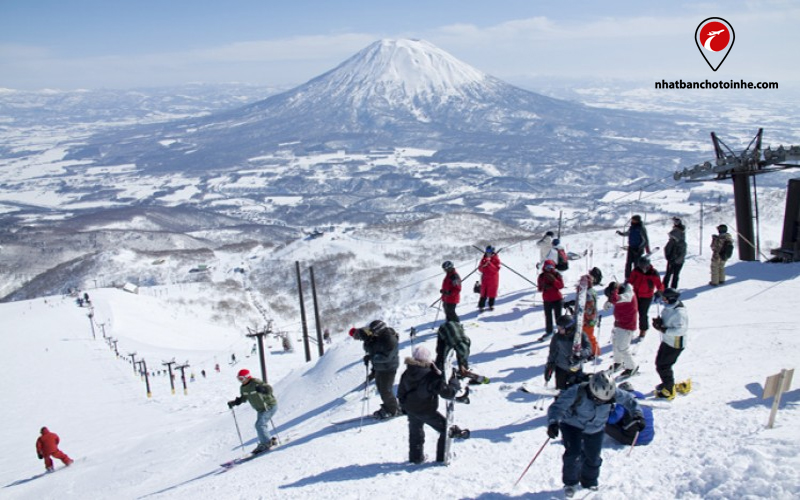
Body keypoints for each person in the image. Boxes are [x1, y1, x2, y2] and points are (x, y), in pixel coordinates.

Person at [547, 371, 644, 497]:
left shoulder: (613, 393)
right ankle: (570, 483)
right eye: (598, 399)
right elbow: (557, 407)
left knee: (593, 458)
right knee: (573, 455)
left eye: (605, 401)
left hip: (595, 428)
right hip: (572, 425)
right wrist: (553, 422)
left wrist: (638, 415)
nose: (601, 402)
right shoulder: (577, 391)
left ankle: (589, 482)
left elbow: (630, 400)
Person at [397, 346, 468, 464]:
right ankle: (442, 457)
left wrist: (404, 406)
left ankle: (416, 458)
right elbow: (447, 393)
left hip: (411, 408)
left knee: (416, 433)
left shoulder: (408, 371)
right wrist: (454, 382)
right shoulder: (429, 375)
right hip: (426, 409)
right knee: (446, 429)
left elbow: (401, 391)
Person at [350, 320, 401, 419]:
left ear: (380, 330)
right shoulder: (378, 336)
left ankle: (393, 410)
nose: (373, 333)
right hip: (380, 368)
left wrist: (372, 358)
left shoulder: (390, 340)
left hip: (388, 368)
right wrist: (369, 356)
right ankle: (388, 406)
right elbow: (374, 349)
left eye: (375, 331)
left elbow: (387, 357)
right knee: (381, 388)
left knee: (386, 390)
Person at [651, 288, 691, 400]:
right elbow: (666, 321)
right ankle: (667, 383)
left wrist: (664, 330)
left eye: (665, 299)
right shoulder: (669, 307)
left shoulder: (680, 313)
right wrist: (660, 323)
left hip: (675, 344)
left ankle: (669, 390)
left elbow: (681, 330)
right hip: (667, 340)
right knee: (659, 363)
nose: (663, 301)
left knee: (664, 366)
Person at [227, 368, 278, 454]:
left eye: (241, 378)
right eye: (238, 379)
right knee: (259, 425)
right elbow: (244, 397)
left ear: (247, 377)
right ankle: (267, 442)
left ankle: (266, 443)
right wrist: (236, 402)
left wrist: (263, 389)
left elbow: (269, 389)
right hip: (260, 409)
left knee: (260, 425)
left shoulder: (256, 383)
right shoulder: (243, 388)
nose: (240, 381)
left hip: (269, 406)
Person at [545, 315, 592, 391]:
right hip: (561, 368)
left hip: (575, 369)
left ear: (568, 327)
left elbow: (589, 349)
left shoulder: (580, 335)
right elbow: (553, 352)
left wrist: (580, 354)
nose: (559, 330)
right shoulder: (557, 337)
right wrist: (549, 366)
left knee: (574, 392)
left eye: (561, 328)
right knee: (560, 392)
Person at [603, 282, 638, 378]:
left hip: (627, 326)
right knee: (615, 344)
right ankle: (618, 363)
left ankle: (631, 367)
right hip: (619, 323)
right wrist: (608, 301)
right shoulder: (621, 292)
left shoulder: (628, 295)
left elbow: (615, 298)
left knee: (623, 347)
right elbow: (613, 299)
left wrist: (613, 293)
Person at [628, 256, 664, 341]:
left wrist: (659, 292)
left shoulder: (653, 273)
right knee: (632, 312)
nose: (643, 268)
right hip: (635, 294)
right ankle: (630, 329)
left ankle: (643, 330)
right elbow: (631, 280)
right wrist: (627, 287)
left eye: (645, 266)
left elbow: (660, 285)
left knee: (643, 314)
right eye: (641, 266)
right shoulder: (636, 270)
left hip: (646, 296)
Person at [537, 259, 564, 340]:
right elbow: (539, 288)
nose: (549, 269)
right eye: (548, 267)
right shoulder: (541, 276)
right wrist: (543, 287)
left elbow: (561, 286)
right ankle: (549, 332)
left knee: (558, 317)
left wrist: (554, 280)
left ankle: (561, 332)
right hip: (547, 300)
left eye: (551, 267)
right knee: (548, 317)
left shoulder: (556, 275)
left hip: (557, 299)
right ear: (544, 267)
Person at [616, 215, 650, 279]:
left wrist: (641, 248)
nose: (632, 221)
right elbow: (628, 233)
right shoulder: (632, 227)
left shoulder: (641, 228)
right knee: (628, 263)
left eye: (633, 220)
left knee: (637, 264)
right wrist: (621, 233)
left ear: (637, 220)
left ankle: (637, 277)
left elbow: (645, 240)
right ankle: (627, 277)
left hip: (638, 249)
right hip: (631, 248)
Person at [663, 218, 687, 289]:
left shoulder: (682, 243)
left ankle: (673, 289)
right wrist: (668, 257)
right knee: (668, 274)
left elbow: (682, 254)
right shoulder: (671, 241)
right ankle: (664, 288)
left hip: (677, 262)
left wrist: (675, 260)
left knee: (675, 275)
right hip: (671, 260)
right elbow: (666, 249)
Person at [478, 245, 501, 312]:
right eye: (487, 251)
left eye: (489, 251)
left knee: (492, 292)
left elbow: (496, 269)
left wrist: (489, 263)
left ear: (492, 251)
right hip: (485, 278)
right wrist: (483, 266)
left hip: (493, 279)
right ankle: (481, 306)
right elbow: (480, 269)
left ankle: (491, 305)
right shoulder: (484, 259)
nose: (488, 252)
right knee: (483, 293)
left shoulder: (496, 259)